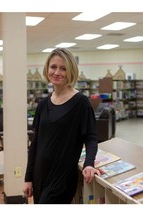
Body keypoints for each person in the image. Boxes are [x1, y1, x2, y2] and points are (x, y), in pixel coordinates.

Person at [23, 48, 100, 204]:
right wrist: (28, 177)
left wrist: (89, 163)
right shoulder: (43, 105)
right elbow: (35, 143)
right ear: (47, 69)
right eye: (53, 67)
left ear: (70, 71)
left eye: (63, 68)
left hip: (62, 177)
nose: (57, 72)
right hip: (40, 175)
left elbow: (91, 137)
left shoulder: (81, 103)